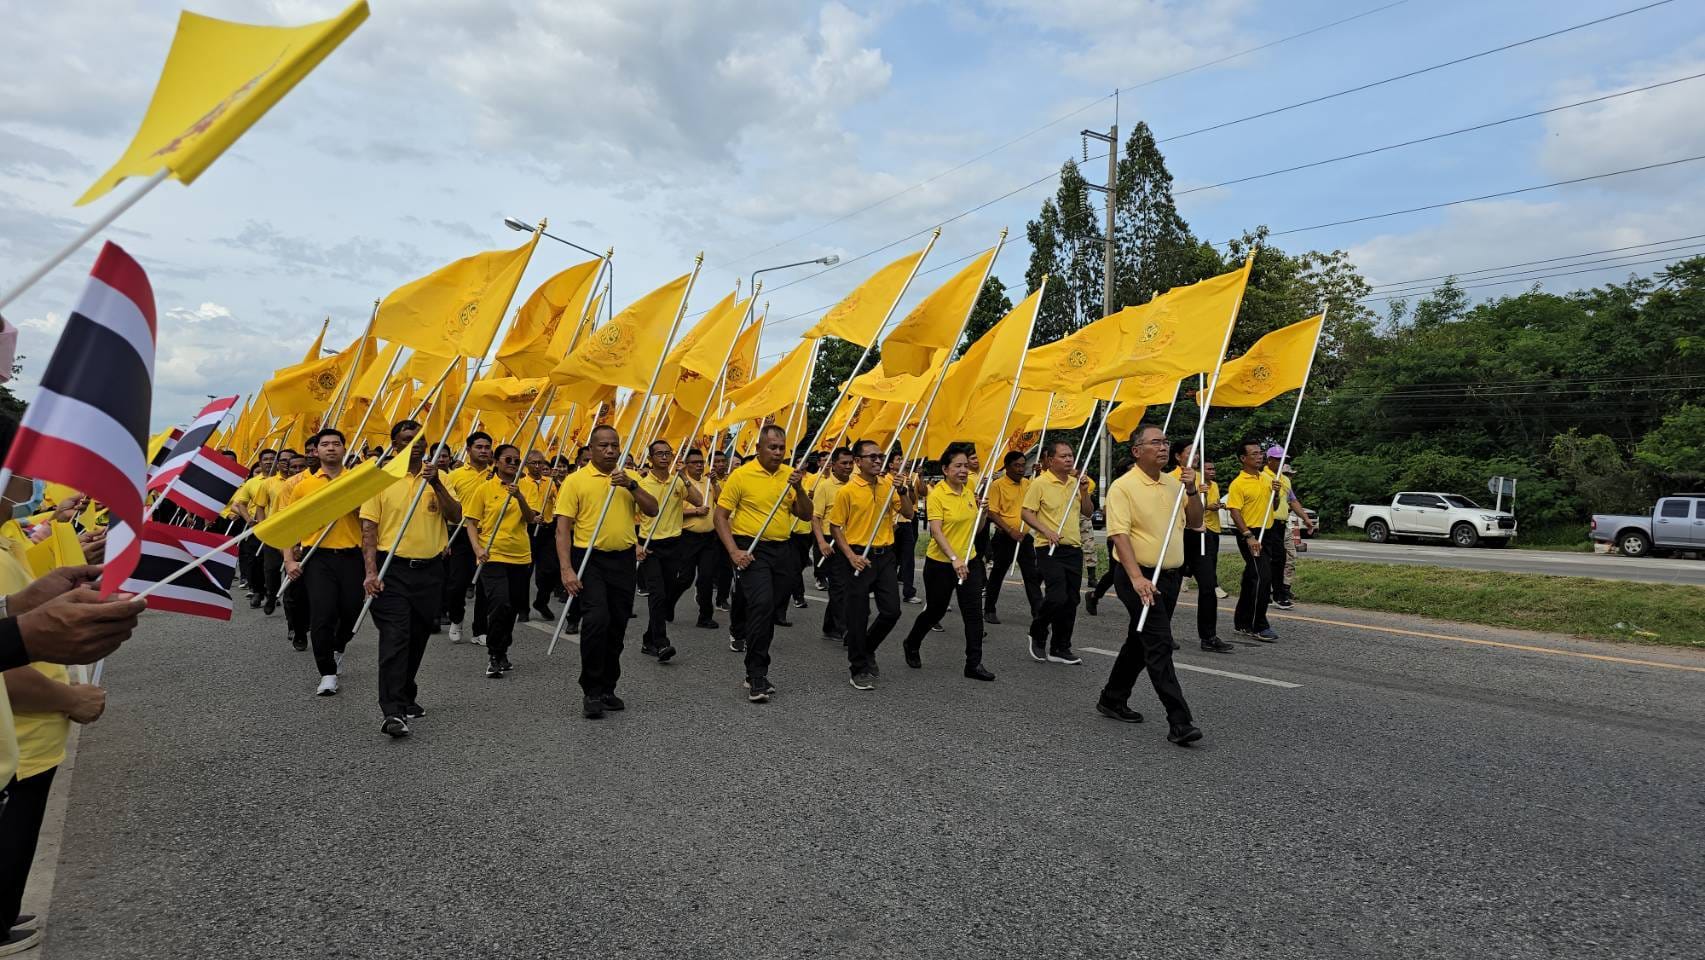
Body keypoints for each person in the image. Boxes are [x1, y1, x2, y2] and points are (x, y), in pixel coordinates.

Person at [1095, 425, 1203, 746]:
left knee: (1139, 641)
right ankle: (1179, 721)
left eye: (1166, 442)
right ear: (1137, 450)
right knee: (1159, 644)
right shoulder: (1123, 487)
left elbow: (1196, 522)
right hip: (1138, 576)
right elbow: (1119, 535)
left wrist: (1193, 490)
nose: (1163, 447)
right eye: (1155, 442)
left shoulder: (1174, 483)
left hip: (1169, 577)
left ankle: (1112, 697)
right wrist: (1137, 577)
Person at [360, 424, 460, 738]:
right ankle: (392, 710)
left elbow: (456, 515)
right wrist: (371, 572)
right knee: (395, 637)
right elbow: (369, 532)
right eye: (407, 441)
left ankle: (405, 692)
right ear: (394, 445)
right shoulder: (380, 480)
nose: (415, 446)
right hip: (393, 571)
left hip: (430, 572)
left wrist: (438, 485)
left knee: (417, 638)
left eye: (420, 441)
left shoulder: (437, 478)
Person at [555, 426, 657, 719]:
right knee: (597, 620)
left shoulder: (628, 478)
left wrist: (632, 486)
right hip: (590, 559)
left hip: (623, 560)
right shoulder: (576, 481)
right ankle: (591, 689)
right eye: (603, 446)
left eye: (615, 445)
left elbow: (652, 510)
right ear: (591, 449)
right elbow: (562, 529)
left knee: (617, 625)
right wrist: (566, 569)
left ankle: (608, 687)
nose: (610, 450)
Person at [713, 424, 811, 703]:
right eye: (772, 447)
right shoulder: (741, 476)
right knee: (763, 604)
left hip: (783, 550)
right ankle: (757, 674)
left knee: (767, 612)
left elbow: (805, 515)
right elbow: (720, 517)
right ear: (758, 449)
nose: (778, 453)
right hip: (751, 548)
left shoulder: (789, 477)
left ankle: (750, 648)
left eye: (782, 448)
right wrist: (733, 551)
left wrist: (799, 488)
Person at [899, 443, 994, 681]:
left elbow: (977, 529)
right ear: (945, 469)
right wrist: (954, 559)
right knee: (935, 610)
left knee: (973, 614)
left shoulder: (970, 488)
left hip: (969, 561)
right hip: (941, 564)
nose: (963, 470)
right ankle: (912, 643)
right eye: (957, 466)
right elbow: (937, 532)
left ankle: (973, 664)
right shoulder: (937, 494)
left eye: (965, 465)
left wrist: (983, 512)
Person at [283, 429, 365, 696]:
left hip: (352, 556)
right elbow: (289, 523)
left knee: (351, 610)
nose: (331, 448)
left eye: (336, 444)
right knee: (322, 613)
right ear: (315, 451)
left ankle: (339, 646)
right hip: (317, 557)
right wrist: (289, 559)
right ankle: (327, 673)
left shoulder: (356, 480)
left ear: (344, 449)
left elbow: (370, 519)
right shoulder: (303, 485)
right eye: (325, 444)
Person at [829, 440, 916, 690]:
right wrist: (849, 555)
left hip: (885, 554)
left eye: (881, 456)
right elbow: (836, 526)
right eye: (872, 457)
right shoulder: (847, 491)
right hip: (858, 555)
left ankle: (867, 648)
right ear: (858, 462)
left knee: (892, 611)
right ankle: (858, 667)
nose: (878, 461)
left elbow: (909, 514)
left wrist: (902, 491)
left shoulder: (889, 484)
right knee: (857, 616)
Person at [465, 443, 539, 679]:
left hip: (520, 555)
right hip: (493, 554)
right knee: (499, 603)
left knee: (513, 607)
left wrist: (519, 497)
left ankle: (503, 648)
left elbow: (532, 519)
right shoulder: (484, 489)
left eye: (517, 461)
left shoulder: (528, 486)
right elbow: (471, 522)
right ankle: (494, 654)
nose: (513, 464)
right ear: (496, 462)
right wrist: (477, 547)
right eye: (508, 460)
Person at [1020, 440, 1094, 665]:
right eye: (1063, 456)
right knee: (1057, 596)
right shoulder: (1040, 483)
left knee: (1072, 600)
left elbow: (1088, 512)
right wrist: (1047, 530)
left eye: (1070, 455)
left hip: (1073, 548)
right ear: (1050, 460)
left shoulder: (1076, 484)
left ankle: (1061, 647)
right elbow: (1026, 513)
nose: (1069, 459)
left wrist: (1084, 491)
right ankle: (1038, 631)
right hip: (1048, 547)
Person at [635, 439, 697, 663]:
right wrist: (637, 544)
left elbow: (699, 500)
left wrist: (684, 479)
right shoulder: (642, 484)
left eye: (667, 453)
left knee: (667, 592)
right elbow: (629, 517)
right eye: (659, 453)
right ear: (650, 459)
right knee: (657, 594)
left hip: (674, 544)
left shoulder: (676, 482)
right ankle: (661, 642)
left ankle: (648, 638)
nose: (664, 457)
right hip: (650, 545)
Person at [1178, 453, 1234, 653]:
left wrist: (1197, 494)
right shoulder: (1168, 479)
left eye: (1197, 451)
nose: (1195, 456)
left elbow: (1199, 512)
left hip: (1202, 537)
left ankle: (1208, 636)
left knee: (1208, 586)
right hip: (1178, 538)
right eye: (1189, 451)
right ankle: (1160, 634)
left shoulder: (1203, 480)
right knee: (1169, 589)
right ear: (1178, 456)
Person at [441, 431, 493, 644]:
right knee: (456, 583)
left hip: (487, 533)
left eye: (487, 447)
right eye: (479, 447)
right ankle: (456, 617)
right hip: (460, 534)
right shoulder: (454, 475)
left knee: (485, 585)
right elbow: (446, 509)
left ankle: (480, 629)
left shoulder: (496, 474)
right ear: (468, 449)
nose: (483, 451)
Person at [1225, 439, 1279, 642]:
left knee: (1252, 578)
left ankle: (1243, 621)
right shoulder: (1238, 483)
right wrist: (1248, 535)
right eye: (1254, 454)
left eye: (1260, 453)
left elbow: (1272, 507)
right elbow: (1234, 511)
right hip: (1251, 533)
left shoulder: (1266, 478)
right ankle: (1259, 624)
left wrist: (1275, 495)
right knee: (1263, 577)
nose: (1260, 457)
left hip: (1269, 531)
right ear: (1243, 458)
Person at [982, 451, 1041, 625]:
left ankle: (1038, 612)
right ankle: (990, 609)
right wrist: (1009, 530)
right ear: (1007, 467)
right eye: (1017, 465)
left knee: (1031, 575)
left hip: (1024, 537)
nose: (1021, 469)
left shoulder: (1028, 484)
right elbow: (992, 512)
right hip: (1004, 537)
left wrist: (1041, 471)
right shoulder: (997, 485)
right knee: (998, 574)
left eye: (1023, 465)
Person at [1260, 449, 1314, 608]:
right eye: (1277, 459)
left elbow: (1293, 501)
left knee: (1279, 559)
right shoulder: (1262, 477)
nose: (1280, 462)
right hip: (1267, 523)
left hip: (1281, 524)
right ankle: (1275, 594)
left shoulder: (1285, 480)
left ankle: (1275, 593)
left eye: (1283, 459)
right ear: (1269, 460)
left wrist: (1305, 518)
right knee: (1272, 559)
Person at [811, 447, 854, 643]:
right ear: (834, 465)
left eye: (850, 463)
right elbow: (816, 517)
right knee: (838, 586)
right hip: (831, 540)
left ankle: (829, 625)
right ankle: (844, 629)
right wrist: (821, 542)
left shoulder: (855, 485)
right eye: (844, 463)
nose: (848, 466)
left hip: (851, 540)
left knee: (846, 585)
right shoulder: (825, 486)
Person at [249, 448, 299, 619]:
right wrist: (264, 528)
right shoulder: (268, 483)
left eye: (289, 460)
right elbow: (260, 507)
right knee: (271, 569)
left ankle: (292, 616)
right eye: (283, 460)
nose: (286, 463)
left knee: (293, 573)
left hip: (298, 532)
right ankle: (271, 594)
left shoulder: (303, 480)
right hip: (275, 532)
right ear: (278, 463)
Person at [678, 447, 721, 630]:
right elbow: (671, 513)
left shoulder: (708, 481)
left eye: (701, 462)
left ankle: (705, 616)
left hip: (708, 539)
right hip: (688, 538)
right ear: (686, 465)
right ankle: (668, 603)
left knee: (706, 577)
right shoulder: (679, 483)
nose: (699, 466)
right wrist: (695, 510)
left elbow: (721, 500)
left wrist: (716, 483)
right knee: (685, 578)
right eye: (694, 463)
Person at [520, 450, 558, 621]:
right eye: (533, 463)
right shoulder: (520, 483)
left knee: (550, 571)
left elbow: (559, 502)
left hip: (547, 531)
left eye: (540, 463)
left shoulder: (550, 483)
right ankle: (522, 609)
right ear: (526, 464)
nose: (537, 466)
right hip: (526, 530)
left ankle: (541, 601)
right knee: (524, 572)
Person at [886, 451, 920, 604]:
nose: (902, 461)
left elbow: (912, 502)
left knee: (908, 559)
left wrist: (910, 488)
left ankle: (909, 592)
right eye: (899, 459)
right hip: (891, 525)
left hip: (906, 523)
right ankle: (885, 589)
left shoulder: (906, 479)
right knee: (890, 560)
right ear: (891, 465)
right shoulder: (884, 481)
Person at [707, 450, 734, 612]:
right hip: (710, 528)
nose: (720, 464)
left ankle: (722, 598)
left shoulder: (732, 479)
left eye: (723, 461)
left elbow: (725, 501)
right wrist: (713, 483)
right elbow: (718, 500)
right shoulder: (704, 481)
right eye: (716, 462)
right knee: (709, 566)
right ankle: (702, 589)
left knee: (726, 566)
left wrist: (717, 483)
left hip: (727, 528)